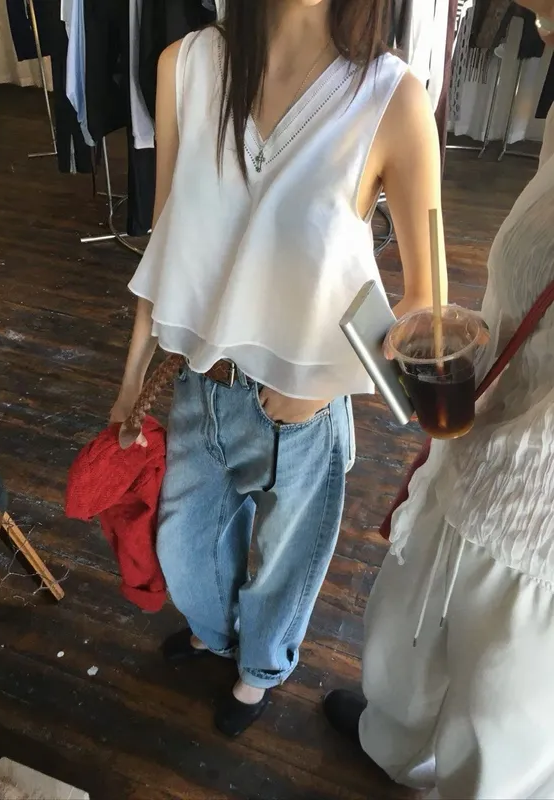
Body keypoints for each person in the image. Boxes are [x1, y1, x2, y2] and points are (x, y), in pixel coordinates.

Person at [111, 0, 444, 737]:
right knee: (185, 551)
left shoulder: (390, 96)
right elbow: (165, 241)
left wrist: (331, 382)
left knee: (286, 565)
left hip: (304, 411)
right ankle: (214, 632)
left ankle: (259, 669)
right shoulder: (186, 68)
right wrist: (132, 376)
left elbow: (426, 300)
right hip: (201, 384)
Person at [324, 2, 554, 796]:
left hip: (541, 515)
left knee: (497, 727)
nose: (530, 19)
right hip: (485, 435)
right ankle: (392, 741)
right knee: (405, 636)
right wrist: (473, 338)